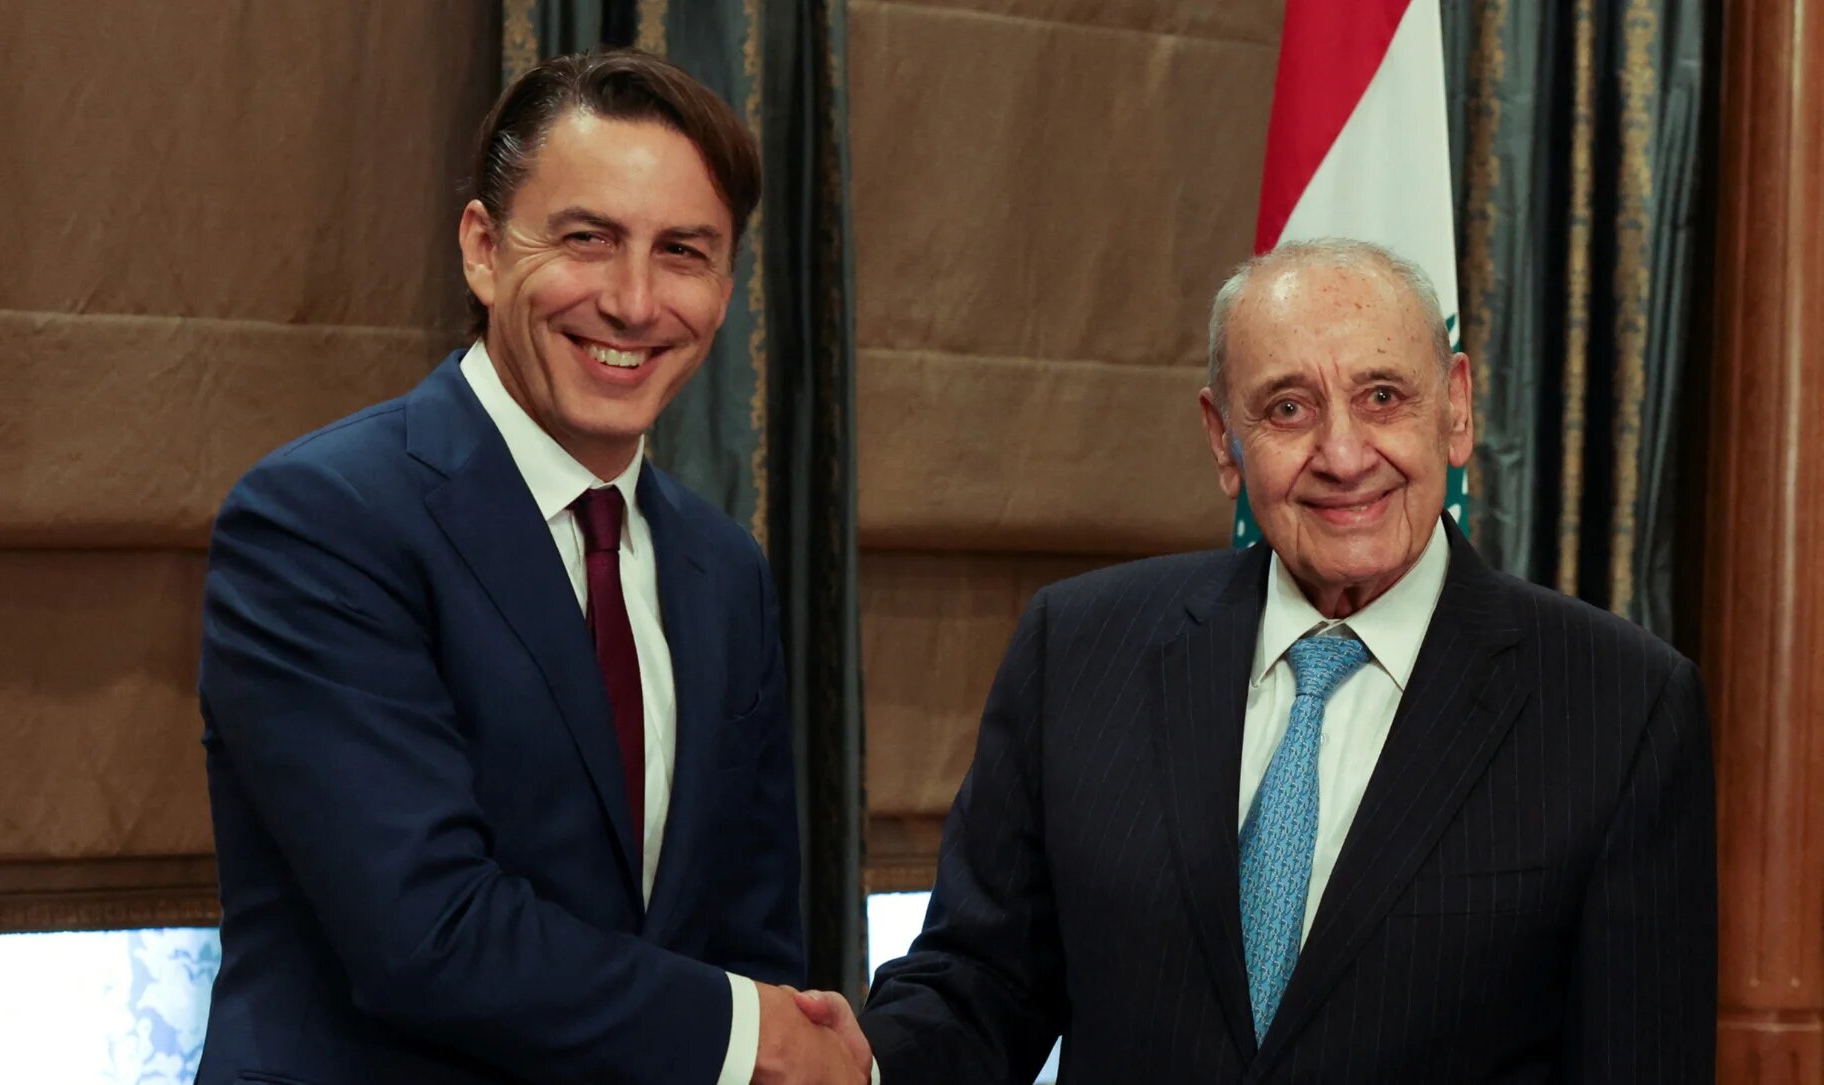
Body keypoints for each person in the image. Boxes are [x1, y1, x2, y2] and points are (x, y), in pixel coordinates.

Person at [812, 239, 1716, 1081]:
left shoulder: (1621, 706)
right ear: (1222, 439)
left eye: (1383, 397)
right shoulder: (1079, 648)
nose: (1344, 454)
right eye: (1288, 408)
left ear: (1457, 408)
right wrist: (841, 1062)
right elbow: (978, 988)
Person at [195, 49, 866, 1085]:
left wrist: (770, 1025)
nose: (635, 302)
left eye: (683, 251)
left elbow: (749, 931)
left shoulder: (723, 570)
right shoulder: (321, 520)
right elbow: (427, 932)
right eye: (587, 240)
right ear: (481, 249)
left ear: (728, 286)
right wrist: (757, 1033)